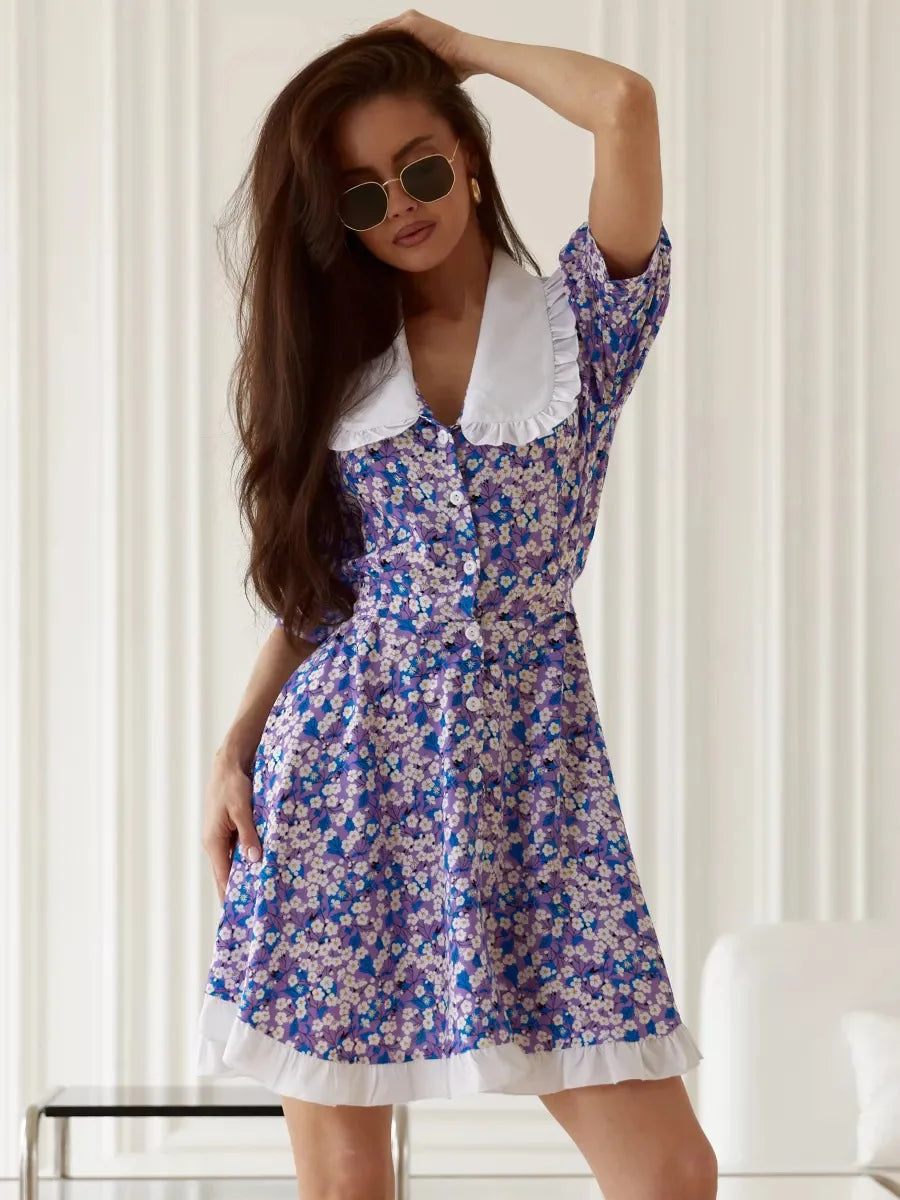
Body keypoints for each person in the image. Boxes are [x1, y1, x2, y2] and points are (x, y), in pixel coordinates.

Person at [197, 11, 718, 1199]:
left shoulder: (580, 326)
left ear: (469, 160)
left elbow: (625, 107)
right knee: (346, 1184)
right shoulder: (332, 365)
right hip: (343, 775)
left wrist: (458, 50)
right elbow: (321, 592)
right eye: (362, 194)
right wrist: (236, 744)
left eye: (421, 167)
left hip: (535, 776)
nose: (401, 204)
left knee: (669, 1172)